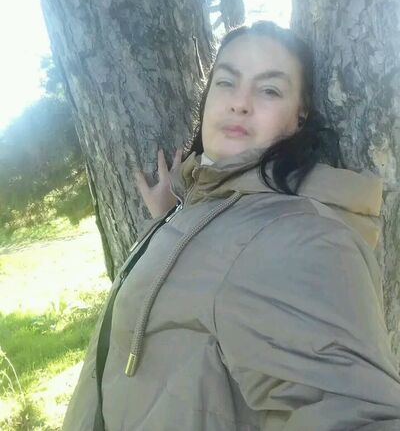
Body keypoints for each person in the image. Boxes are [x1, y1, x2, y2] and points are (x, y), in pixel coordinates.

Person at [62, 21, 400, 431]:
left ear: (300, 115)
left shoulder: (300, 238)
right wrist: (174, 213)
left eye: (269, 90)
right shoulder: (202, 206)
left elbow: (354, 414)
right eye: (226, 82)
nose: (240, 103)